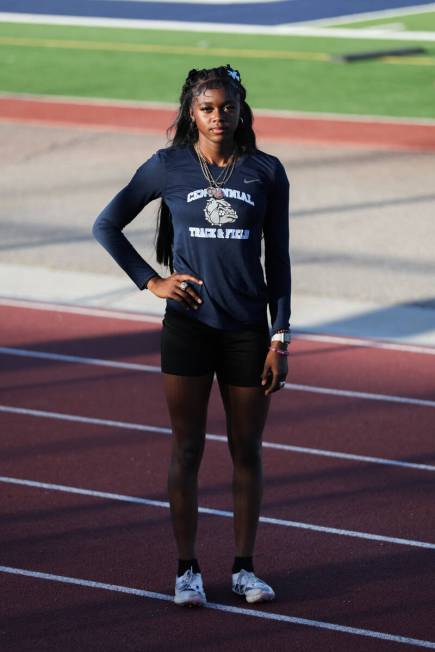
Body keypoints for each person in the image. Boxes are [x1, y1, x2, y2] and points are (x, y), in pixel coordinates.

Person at [92, 64, 291, 608]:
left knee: (246, 450)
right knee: (187, 448)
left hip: (248, 331)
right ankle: (187, 572)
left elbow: (279, 259)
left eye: (227, 107)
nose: (218, 116)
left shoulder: (266, 172)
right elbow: (105, 224)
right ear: (191, 112)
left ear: (240, 109)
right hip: (188, 329)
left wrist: (280, 337)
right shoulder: (167, 167)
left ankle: (246, 569)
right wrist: (151, 281)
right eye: (207, 108)